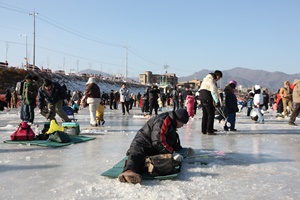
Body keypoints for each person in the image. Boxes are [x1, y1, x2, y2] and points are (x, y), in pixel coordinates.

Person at [118, 108, 189, 184]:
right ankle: (129, 171)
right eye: (183, 123)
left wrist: (176, 148)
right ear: (178, 119)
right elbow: (158, 141)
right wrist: (172, 153)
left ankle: (144, 164)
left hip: (152, 146)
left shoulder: (171, 121)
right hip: (142, 142)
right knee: (137, 154)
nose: (182, 125)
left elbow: (170, 139)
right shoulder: (163, 121)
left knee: (160, 160)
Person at [198, 70, 223, 135]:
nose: (218, 79)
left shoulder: (205, 79)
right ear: (217, 76)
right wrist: (217, 101)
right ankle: (209, 130)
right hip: (207, 98)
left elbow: (200, 89)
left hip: (202, 98)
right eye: (219, 78)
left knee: (205, 114)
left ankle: (204, 129)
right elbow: (213, 92)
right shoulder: (211, 80)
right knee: (211, 115)